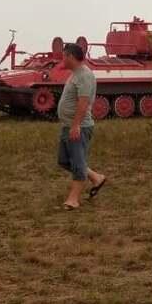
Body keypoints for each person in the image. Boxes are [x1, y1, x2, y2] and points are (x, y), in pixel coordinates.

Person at [56, 43, 107, 210]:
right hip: (68, 125)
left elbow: (83, 102)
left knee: (78, 163)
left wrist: (76, 125)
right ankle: (96, 177)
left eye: (64, 56)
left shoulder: (84, 75)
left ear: (71, 57)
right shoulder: (74, 74)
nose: (62, 59)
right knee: (64, 161)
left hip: (79, 127)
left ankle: (73, 200)